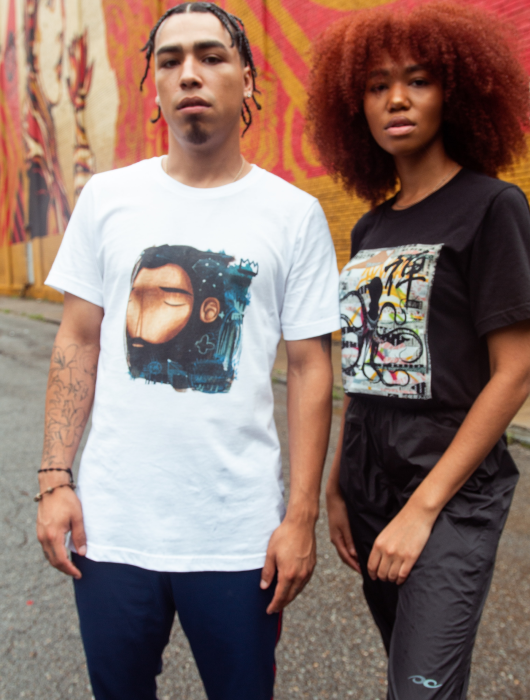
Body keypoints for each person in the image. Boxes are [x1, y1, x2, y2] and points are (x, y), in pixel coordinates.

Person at [36, 3, 340, 699]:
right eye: (170, 61)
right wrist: (54, 481)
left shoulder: (293, 214)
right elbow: (77, 339)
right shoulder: (108, 198)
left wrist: (299, 519)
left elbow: (309, 367)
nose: (189, 74)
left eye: (210, 56)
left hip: (237, 535)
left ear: (248, 79)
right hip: (112, 530)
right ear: (155, 86)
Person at [307, 3, 530, 699]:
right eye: (376, 86)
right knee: (406, 668)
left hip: (448, 484)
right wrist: (336, 482)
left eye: (417, 80)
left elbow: (513, 375)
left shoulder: (492, 206)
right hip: (367, 477)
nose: (396, 100)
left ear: (456, 92)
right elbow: (361, 363)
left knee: (420, 686)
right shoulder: (370, 229)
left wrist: (421, 510)